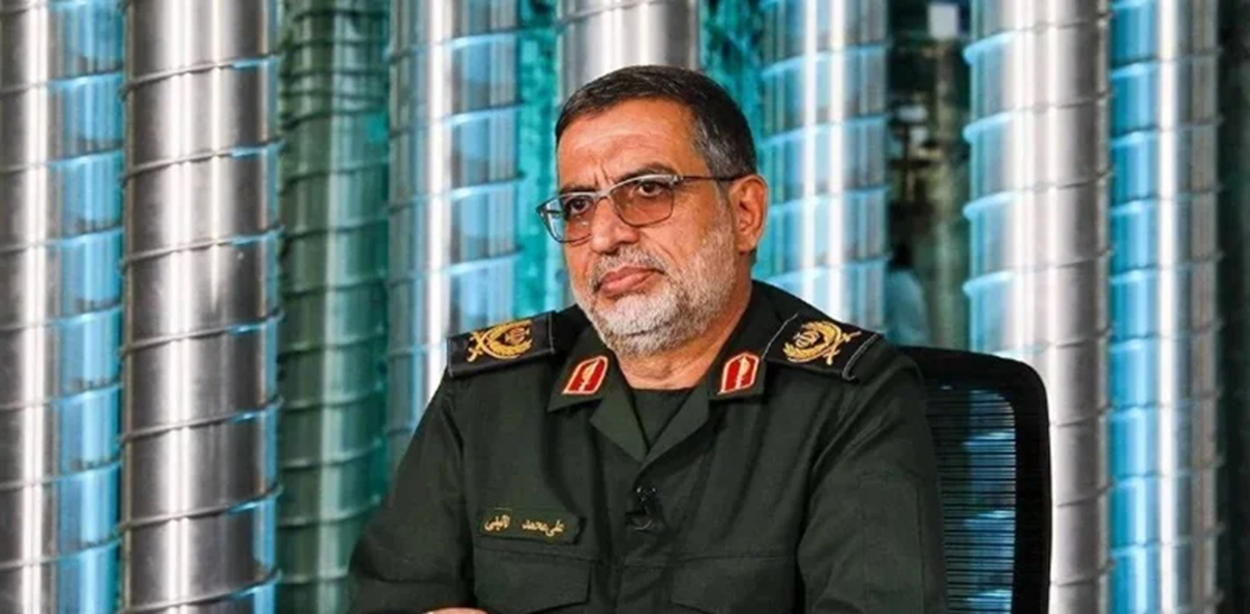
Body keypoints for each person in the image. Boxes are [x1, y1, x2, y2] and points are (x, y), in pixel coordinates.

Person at [348, 65, 947, 614]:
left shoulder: (850, 397)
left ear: (744, 213)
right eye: (578, 205)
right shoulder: (489, 396)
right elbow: (392, 600)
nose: (604, 235)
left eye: (648, 190)